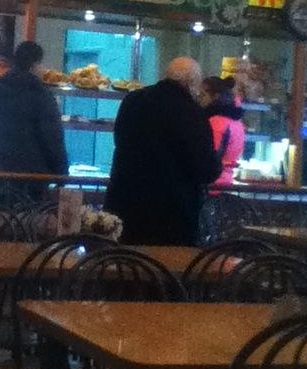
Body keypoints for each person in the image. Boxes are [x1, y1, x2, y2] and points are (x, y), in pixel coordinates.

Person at [104, 57, 221, 245]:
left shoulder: (132, 100)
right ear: (191, 83)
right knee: (166, 262)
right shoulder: (191, 112)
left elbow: (119, 139)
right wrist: (218, 163)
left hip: (125, 203)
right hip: (172, 214)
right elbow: (206, 169)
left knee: (125, 260)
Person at [0, 41, 68, 177]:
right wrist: (61, 174)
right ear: (35, 65)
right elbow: (52, 139)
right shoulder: (41, 96)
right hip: (28, 175)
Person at [200, 76, 246, 189]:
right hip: (227, 181)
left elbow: (210, 156)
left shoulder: (216, 122)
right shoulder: (237, 123)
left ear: (215, 96)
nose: (199, 99)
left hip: (212, 184)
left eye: (203, 95)